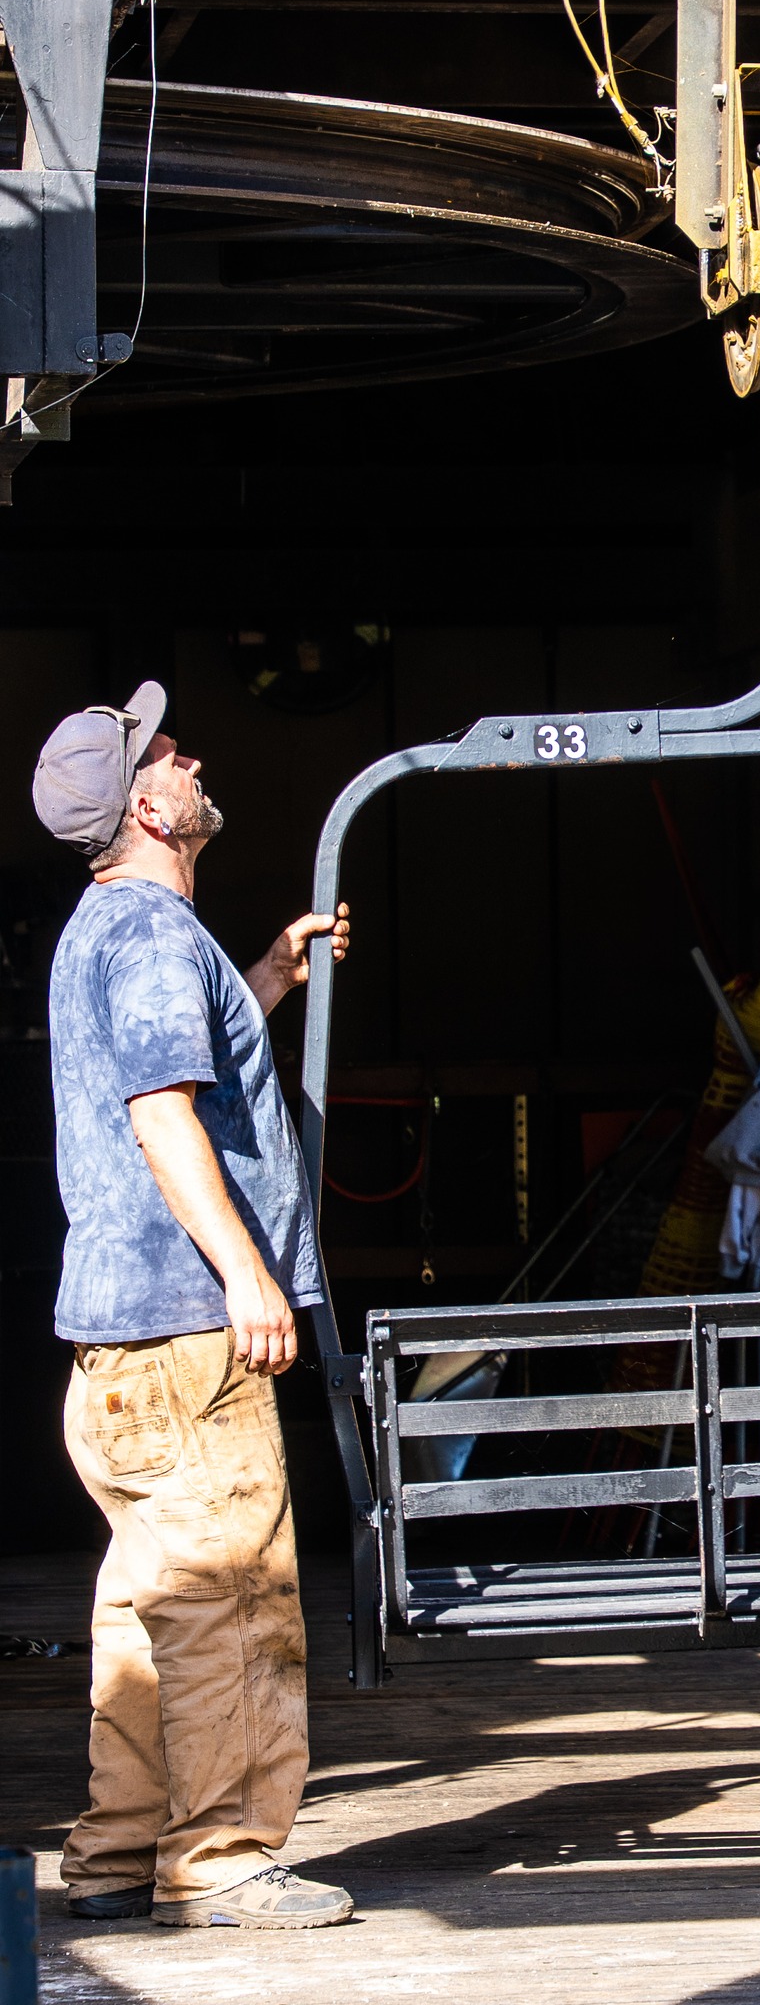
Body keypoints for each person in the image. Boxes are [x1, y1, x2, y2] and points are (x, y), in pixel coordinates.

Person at [31, 681, 355, 1931]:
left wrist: (267, 974)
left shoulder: (105, 931)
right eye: (164, 755)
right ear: (147, 810)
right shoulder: (156, 937)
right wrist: (247, 1271)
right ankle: (219, 1856)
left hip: (116, 1347)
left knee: (147, 1608)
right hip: (183, 1334)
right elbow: (163, 1112)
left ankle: (117, 1850)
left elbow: (173, 1077)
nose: (190, 757)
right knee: (231, 1597)